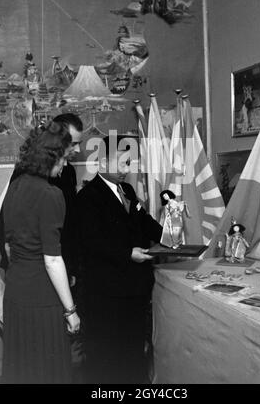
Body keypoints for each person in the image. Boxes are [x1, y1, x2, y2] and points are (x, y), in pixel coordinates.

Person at [75, 134, 162, 384]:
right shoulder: (87, 197)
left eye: (130, 163)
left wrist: (171, 236)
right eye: (123, 163)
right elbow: (92, 242)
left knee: (133, 353)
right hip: (106, 295)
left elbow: (144, 222)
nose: (128, 169)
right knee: (108, 359)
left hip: (134, 291)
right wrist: (127, 253)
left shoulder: (127, 190)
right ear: (102, 164)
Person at [1, 121, 80, 383]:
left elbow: (10, 246)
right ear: (52, 157)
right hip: (42, 298)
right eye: (64, 158)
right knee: (49, 371)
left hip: (15, 293)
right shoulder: (51, 194)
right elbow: (53, 259)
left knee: (21, 367)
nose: (65, 165)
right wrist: (71, 311)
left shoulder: (15, 186)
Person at [0, 112, 83, 285]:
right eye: (73, 144)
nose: (78, 150)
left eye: (79, 143)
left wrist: (71, 268)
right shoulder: (26, 173)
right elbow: (5, 227)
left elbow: (70, 226)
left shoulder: (69, 172)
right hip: (33, 274)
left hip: (61, 268)